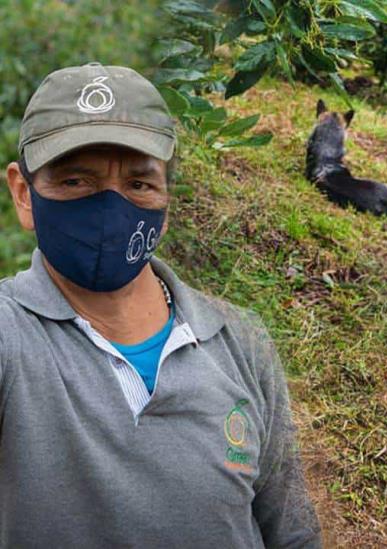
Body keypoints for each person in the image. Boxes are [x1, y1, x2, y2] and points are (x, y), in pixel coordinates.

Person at [0, 63, 322, 546]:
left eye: (138, 185)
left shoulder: (241, 340)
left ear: (166, 202)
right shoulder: (10, 335)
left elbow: (290, 529)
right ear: (24, 194)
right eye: (75, 182)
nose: (111, 209)